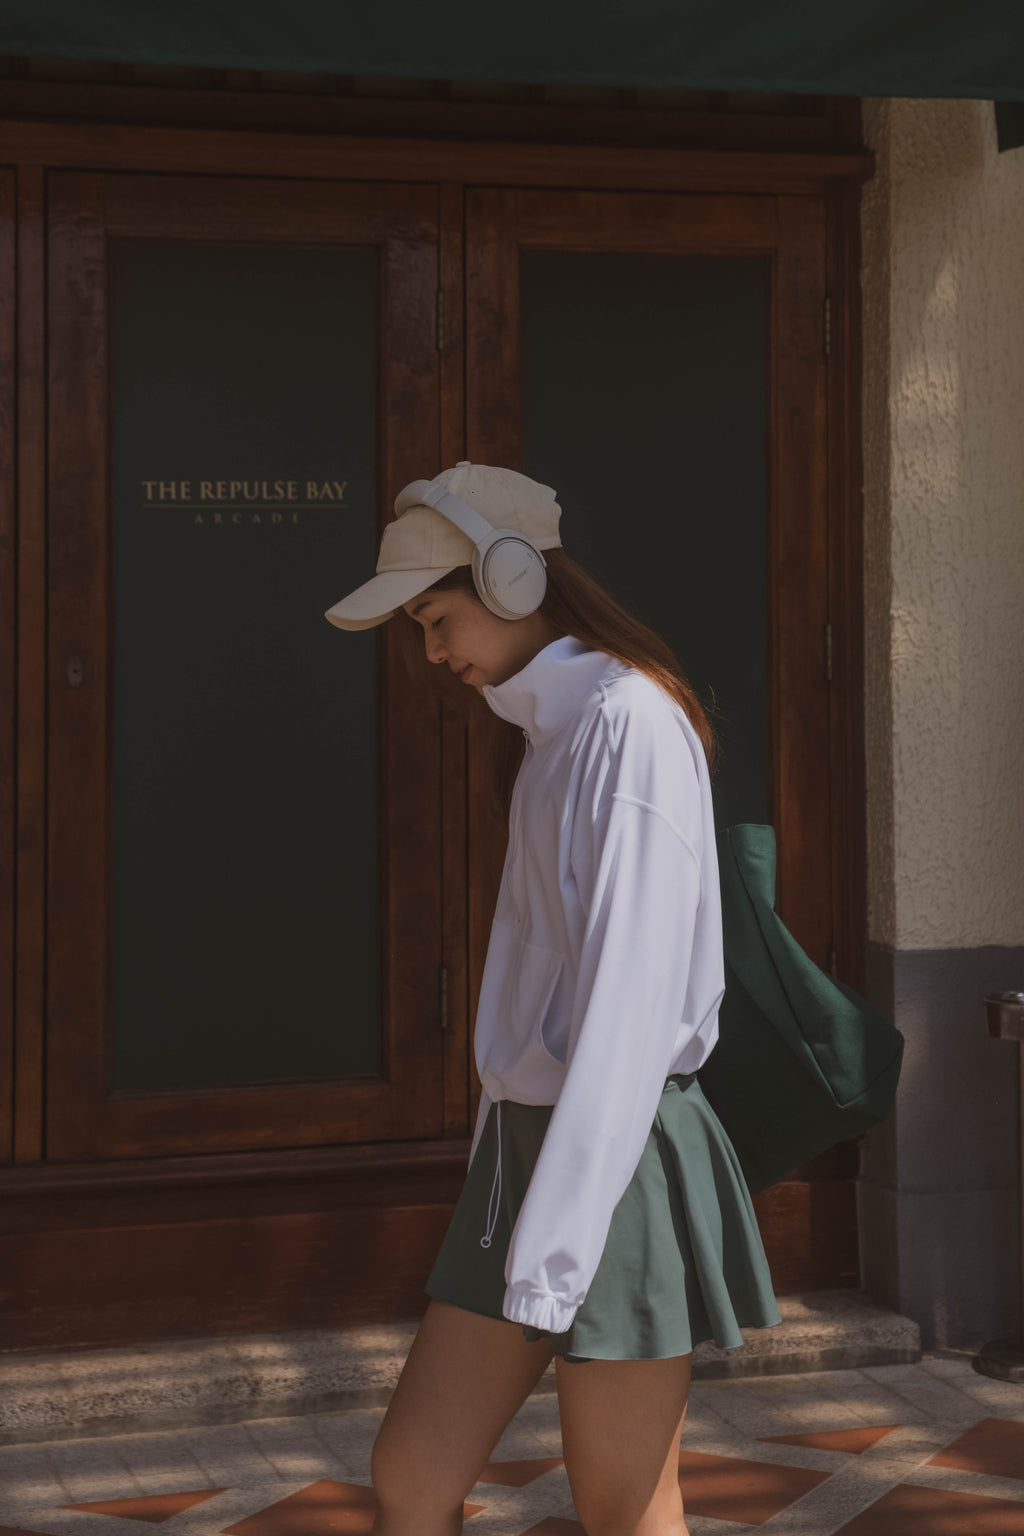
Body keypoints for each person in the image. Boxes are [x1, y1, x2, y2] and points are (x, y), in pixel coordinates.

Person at [324, 462, 781, 1536]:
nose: (432, 653)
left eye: (436, 619)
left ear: (515, 577)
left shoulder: (630, 725)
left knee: (626, 1510)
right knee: (412, 1476)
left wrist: (559, 1248)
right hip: (533, 1151)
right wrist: (500, 1164)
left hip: (614, 1157)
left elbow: (628, 1009)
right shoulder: (551, 734)